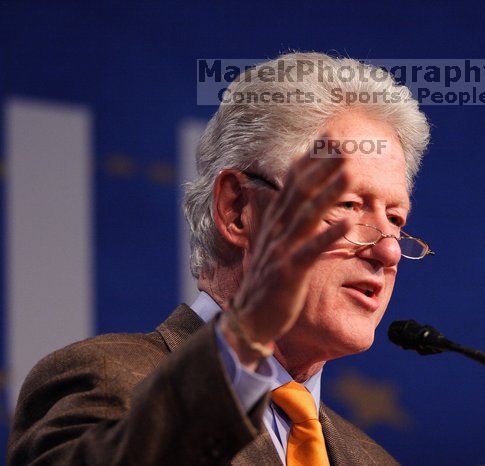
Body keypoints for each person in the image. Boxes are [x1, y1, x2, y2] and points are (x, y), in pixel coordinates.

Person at [7, 52, 432, 465]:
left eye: (395, 219)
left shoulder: (373, 459)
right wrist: (247, 337)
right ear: (237, 210)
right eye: (348, 205)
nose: (388, 249)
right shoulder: (106, 377)